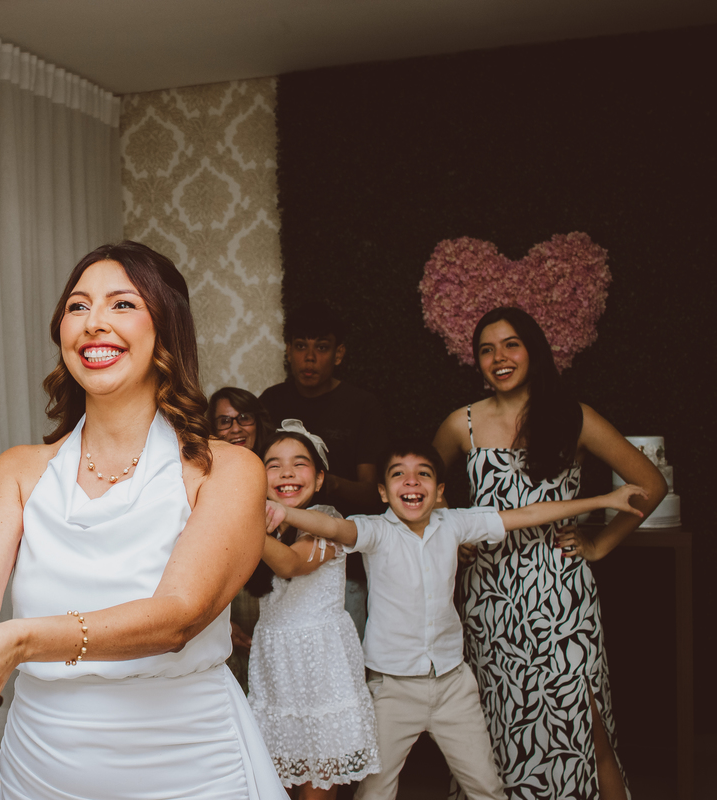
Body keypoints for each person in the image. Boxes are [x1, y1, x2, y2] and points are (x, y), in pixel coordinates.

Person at [0, 241, 288, 799]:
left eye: (122, 305)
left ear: (166, 330)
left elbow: (178, 617)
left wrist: (24, 640)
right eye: (78, 307)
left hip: (187, 768)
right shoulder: (19, 470)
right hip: (40, 766)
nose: (94, 323)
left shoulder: (226, 469)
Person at [265, 440, 648, 800]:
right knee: (375, 793)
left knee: (486, 788)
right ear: (382, 492)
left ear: (440, 489)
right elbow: (333, 527)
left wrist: (605, 499)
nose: (411, 481)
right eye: (398, 474)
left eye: (424, 474)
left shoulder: (455, 524)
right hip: (393, 690)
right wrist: (284, 512)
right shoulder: (375, 530)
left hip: (453, 686)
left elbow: (529, 514)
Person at [432, 307, 667, 800]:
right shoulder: (462, 425)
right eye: (486, 349)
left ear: (534, 351)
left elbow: (650, 484)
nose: (499, 358)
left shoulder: (573, 417)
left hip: (561, 596)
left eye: (511, 344)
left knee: (583, 720)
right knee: (501, 726)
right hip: (490, 600)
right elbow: (423, 491)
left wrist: (600, 543)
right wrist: (459, 539)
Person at [246, 422, 380, 800]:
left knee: (317, 784)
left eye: (299, 464)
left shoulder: (327, 520)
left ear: (319, 478)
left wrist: (242, 517)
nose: (287, 473)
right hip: (276, 660)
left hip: (321, 661)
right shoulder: (267, 526)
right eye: (273, 464)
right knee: (273, 780)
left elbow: (290, 564)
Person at [260, 305, 387, 639]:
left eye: (322, 347)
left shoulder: (361, 404)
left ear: (339, 353)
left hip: (340, 558)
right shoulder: (271, 401)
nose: (310, 358)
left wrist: (321, 483)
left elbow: (371, 490)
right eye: (301, 346)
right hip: (274, 552)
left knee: (337, 640)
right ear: (288, 351)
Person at [209, 386, 278, 692]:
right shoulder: (204, 476)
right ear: (212, 430)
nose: (236, 428)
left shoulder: (279, 466)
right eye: (225, 421)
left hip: (279, 591)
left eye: (243, 418)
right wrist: (219, 619)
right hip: (228, 594)